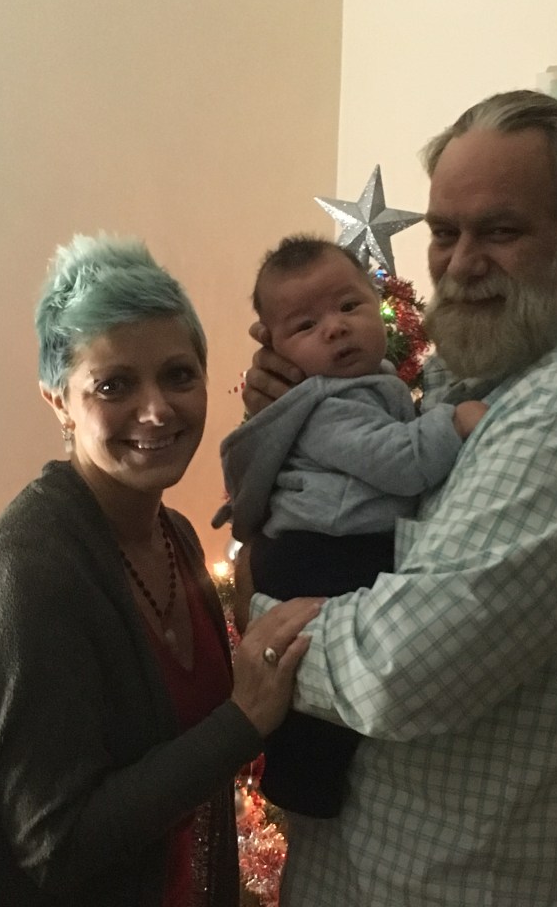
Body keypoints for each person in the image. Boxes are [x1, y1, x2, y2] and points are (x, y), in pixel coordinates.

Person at [239, 90, 557, 907]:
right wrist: (298, 418)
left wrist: (254, 607)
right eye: (445, 232)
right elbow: (400, 498)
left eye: (501, 231)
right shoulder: (493, 372)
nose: (460, 262)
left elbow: (398, 669)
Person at [0, 233, 321, 907]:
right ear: (58, 400)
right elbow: (58, 847)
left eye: (178, 375)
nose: (156, 410)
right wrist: (242, 722)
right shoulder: (27, 575)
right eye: (114, 385)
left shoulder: (175, 537)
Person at [218, 234, 486, 817]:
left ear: (376, 302)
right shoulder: (324, 406)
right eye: (306, 325)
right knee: (309, 705)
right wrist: (452, 423)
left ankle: (308, 782)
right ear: (275, 352)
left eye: (348, 306)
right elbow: (399, 461)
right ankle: (299, 789)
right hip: (318, 554)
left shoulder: (371, 382)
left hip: (334, 543)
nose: (335, 328)